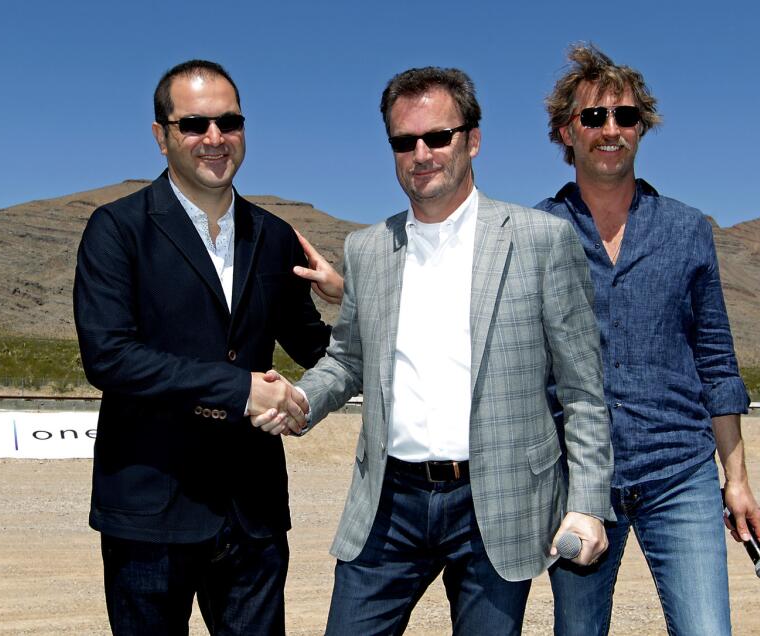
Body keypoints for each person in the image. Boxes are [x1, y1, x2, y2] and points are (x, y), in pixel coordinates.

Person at [255, 66, 614, 635]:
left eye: (437, 137)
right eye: (404, 141)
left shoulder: (541, 239)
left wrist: (589, 502)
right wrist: (299, 396)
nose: (421, 153)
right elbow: (349, 359)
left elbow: (582, 390)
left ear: (471, 140)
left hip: (496, 500)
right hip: (388, 504)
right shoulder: (368, 249)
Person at [72, 59, 332, 636]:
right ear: (162, 136)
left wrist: (357, 302)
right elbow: (109, 357)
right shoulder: (117, 229)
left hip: (253, 514)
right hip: (150, 511)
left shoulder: (274, 236)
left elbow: (316, 346)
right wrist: (239, 389)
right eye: (194, 125)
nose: (214, 139)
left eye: (229, 122)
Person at [537, 44, 760, 635]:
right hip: (581, 479)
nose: (610, 130)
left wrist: (735, 480)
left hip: (679, 471)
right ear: (567, 131)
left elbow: (716, 360)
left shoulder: (688, 229)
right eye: (593, 117)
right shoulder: (535, 233)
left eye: (626, 117)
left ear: (641, 128)